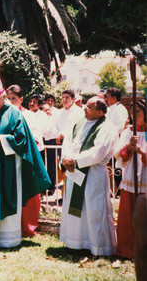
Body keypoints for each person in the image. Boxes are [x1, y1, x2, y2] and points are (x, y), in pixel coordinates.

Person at [0, 72, 50, 250]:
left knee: (7, 195)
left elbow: (21, 139)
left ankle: (8, 239)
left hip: (8, 164)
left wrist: (1, 138)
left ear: (4, 97)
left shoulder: (15, 114)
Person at [59, 96, 117, 256]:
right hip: (74, 173)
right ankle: (75, 242)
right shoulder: (78, 123)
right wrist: (66, 158)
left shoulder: (107, 128)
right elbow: (68, 143)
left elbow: (99, 152)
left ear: (99, 112)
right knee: (75, 209)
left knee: (94, 209)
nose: (84, 108)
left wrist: (75, 160)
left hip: (93, 174)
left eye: (89, 107)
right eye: (85, 105)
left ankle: (97, 246)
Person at [6, 85, 45, 238]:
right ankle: (11, 227)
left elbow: (35, 140)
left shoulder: (28, 115)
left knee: (28, 195)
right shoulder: (4, 114)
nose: (10, 102)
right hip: (8, 160)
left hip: (25, 159)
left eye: (13, 99)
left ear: (21, 99)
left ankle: (28, 228)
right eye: (7, 99)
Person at [114, 99, 146, 259]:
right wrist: (128, 147)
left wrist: (142, 153)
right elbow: (118, 154)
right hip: (131, 178)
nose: (134, 115)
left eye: (138, 112)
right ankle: (127, 247)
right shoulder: (128, 131)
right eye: (132, 112)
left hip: (145, 176)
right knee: (128, 214)